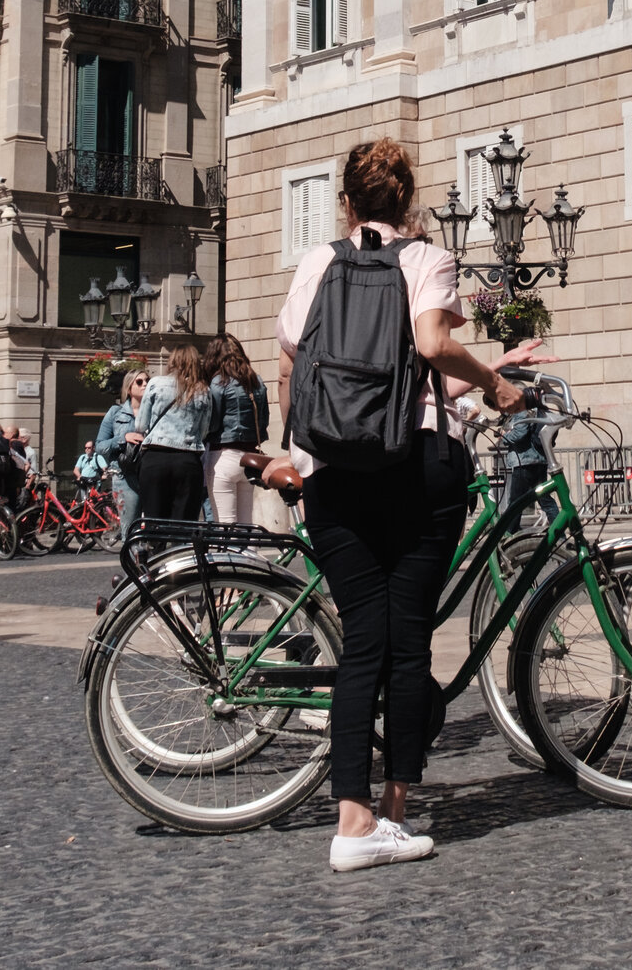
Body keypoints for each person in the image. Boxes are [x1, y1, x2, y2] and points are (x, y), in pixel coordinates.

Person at [275, 137, 531, 873]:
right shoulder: (425, 257)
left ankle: (350, 819)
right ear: (409, 201)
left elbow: (290, 361)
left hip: (333, 469)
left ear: (347, 203)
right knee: (408, 638)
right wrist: (495, 380)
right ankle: (392, 810)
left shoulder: (319, 260)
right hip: (417, 464)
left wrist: (297, 451)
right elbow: (428, 346)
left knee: (364, 641)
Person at [127, 345, 211, 525]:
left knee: (154, 520)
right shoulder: (203, 390)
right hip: (188, 460)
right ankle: (179, 552)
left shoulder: (156, 383)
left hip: (155, 458)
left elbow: (140, 425)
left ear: (172, 361)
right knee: (184, 524)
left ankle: (156, 551)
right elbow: (204, 431)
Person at [204, 335, 271, 528]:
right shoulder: (256, 380)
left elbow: (213, 424)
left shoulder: (218, 382)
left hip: (224, 455)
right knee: (246, 524)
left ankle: (229, 558)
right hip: (250, 457)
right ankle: (248, 557)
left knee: (225, 525)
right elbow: (264, 421)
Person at [93, 370, 146, 530]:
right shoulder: (115, 413)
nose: (145, 384)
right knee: (130, 530)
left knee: (153, 530)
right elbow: (100, 446)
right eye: (139, 382)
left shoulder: (155, 413)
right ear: (129, 388)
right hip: (124, 476)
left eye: (147, 381)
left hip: (150, 473)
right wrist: (123, 438)